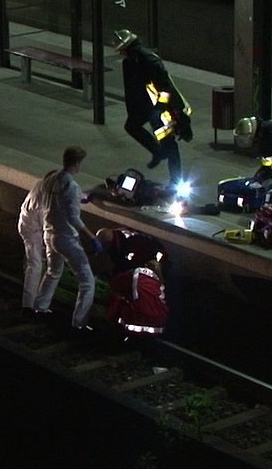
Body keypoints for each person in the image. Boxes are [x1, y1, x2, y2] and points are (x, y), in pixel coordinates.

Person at [33, 146, 103, 334]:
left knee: (53, 272)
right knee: (87, 281)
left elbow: (58, 201)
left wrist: (82, 198)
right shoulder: (72, 186)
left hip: (49, 235)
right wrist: (92, 238)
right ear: (77, 163)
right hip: (66, 239)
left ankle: (39, 308)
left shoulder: (50, 180)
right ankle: (79, 323)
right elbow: (73, 217)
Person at [114, 29, 193, 187]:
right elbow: (133, 89)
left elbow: (166, 88)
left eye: (121, 50)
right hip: (149, 107)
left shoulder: (149, 61)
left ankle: (176, 182)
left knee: (169, 144)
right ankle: (157, 152)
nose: (121, 53)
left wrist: (160, 109)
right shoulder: (131, 62)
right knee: (132, 126)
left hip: (165, 109)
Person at [95, 227, 170, 338]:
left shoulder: (133, 267)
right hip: (160, 323)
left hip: (137, 322)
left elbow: (115, 283)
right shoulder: (157, 282)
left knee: (117, 298)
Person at [17, 169, 57, 319]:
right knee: (35, 265)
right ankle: (29, 307)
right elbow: (47, 225)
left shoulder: (41, 185)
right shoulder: (44, 202)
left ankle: (34, 303)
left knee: (37, 264)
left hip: (29, 226)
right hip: (32, 229)